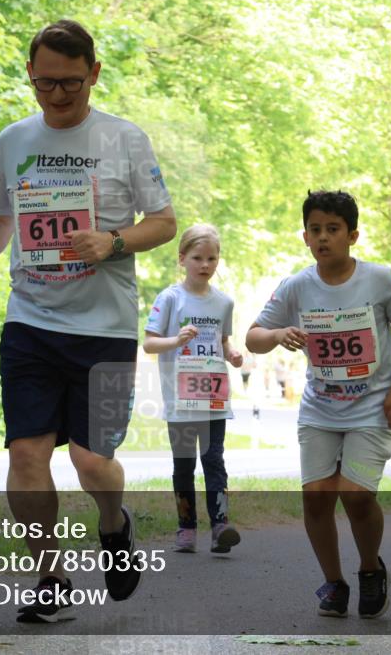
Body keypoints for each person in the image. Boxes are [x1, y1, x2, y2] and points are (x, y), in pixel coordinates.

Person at [0, 20, 176, 623]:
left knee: (91, 461)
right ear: (30, 76)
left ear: (94, 74)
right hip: (31, 322)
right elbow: (0, 215)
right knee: (26, 456)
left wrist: (112, 241)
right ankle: (49, 573)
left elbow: (164, 222)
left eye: (70, 85)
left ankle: (113, 523)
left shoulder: (124, 139)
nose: (57, 96)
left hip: (103, 330)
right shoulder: (12, 141)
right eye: (45, 83)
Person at [246, 190, 391, 619]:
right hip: (320, 410)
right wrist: (277, 334)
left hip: (372, 407)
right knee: (317, 500)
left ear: (353, 235)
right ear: (305, 237)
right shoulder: (297, 286)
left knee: (357, 497)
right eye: (315, 230)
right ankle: (334, 582)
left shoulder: (379, 280)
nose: (323, 237)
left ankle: (369, 568)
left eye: (333, 229)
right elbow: (253, 336)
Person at [143, 224, 244, 554]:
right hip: (181, 399)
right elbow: (149, 344)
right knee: (184, 463)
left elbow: (224, 340)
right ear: (182, 259)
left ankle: (220, 526)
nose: (205, 264)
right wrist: (177, 340)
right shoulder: (170, 298)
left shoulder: (224, 303)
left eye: (212, 258)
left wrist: (232, 353)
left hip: (213, 396)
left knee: (214, 459)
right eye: (198, 257)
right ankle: (186, 528)